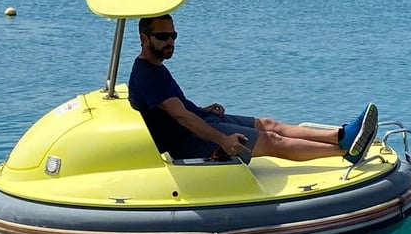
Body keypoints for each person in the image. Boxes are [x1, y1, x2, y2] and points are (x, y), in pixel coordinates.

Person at [128, 14, 378, 165]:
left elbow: (175, 107)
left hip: (200, 122)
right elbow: (179, 115)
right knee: (272, 140)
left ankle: (341, 135)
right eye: (162, 37)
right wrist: (223, 140)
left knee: (268, 123)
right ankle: (344, 152)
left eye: (173, 35)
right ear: (143, 38)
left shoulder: (154, 68)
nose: (170, 41)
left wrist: (203, 110)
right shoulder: (147, 75)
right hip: (191, 141)